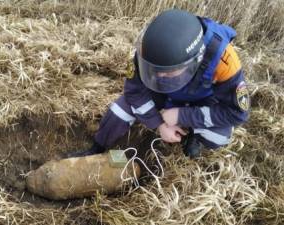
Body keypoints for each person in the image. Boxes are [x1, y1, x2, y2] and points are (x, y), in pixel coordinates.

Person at [68, 9, 250, 159]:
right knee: (119, 110)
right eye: (156, 70)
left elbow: (237, 113)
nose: (160, 75)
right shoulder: (148, 50)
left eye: (168, 71)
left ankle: (193, 138)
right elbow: (134, 91)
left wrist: (182, 115)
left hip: (202, 101)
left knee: (219, 136)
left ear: (193, 61)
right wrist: (158, 124)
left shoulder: (223, 60)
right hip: (165, 95)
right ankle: (97, 147)